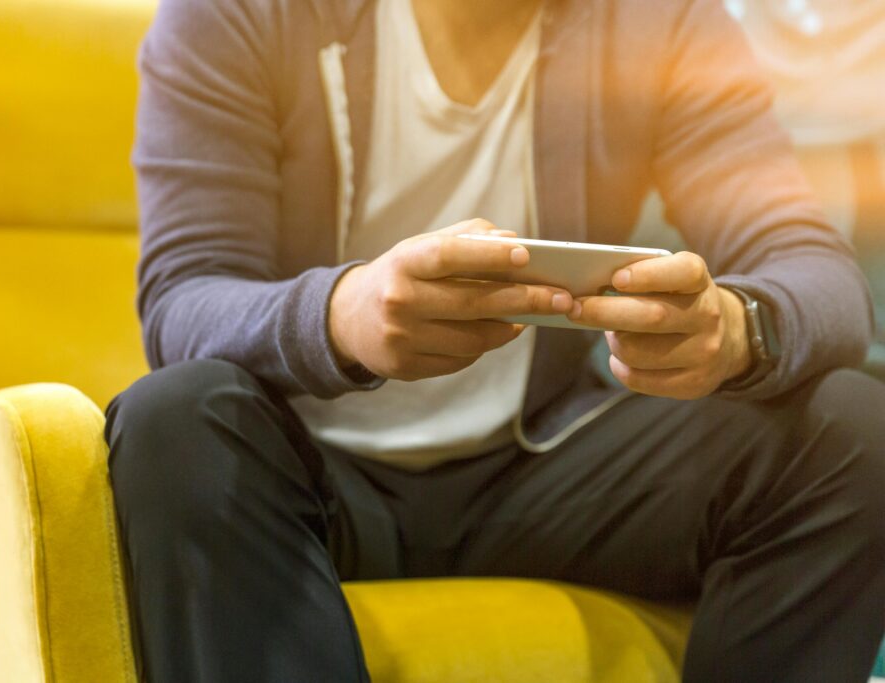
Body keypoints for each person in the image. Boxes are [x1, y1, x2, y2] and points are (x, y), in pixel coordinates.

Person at [104, 0, 885, 680]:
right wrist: (345, 314)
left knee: (853, 427)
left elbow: (819, 273)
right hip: (308, 476)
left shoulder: (661, 18)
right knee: (172, 420)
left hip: (543, 475)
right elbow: (184, 298)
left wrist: (736, 327)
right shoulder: (239, 13)